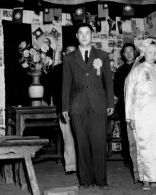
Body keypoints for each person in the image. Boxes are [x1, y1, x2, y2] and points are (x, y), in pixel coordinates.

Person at [62, 23, 114, 190]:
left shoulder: (103, 56)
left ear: (92, 36)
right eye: (81, 33)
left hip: (98, 104)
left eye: (87, 33)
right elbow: (66, 85)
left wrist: (110, 103)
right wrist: (64, 107)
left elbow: (108, 82)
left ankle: (101, 180)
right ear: (77, 36)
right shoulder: (69, 58)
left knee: (99, 142)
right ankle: (85, 180)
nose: (84, 36)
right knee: (82, 143)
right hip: (77, 106)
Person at [125, 38, 156, 191]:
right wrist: (131, 116)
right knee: (145, 146)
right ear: (143, 52)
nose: (153, 55)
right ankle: (146, 179)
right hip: (142, 115)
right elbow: (128, 95)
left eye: (155, 52)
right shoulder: (136, 71)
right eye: (150, 52)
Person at [51, 44, 77, 175]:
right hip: (65, 108)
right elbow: (56, 92)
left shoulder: (82, 68)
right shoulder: (57, 69)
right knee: (68, 138)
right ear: (64, 54)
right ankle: (71, 166)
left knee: (83, 138)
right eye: (68, 52)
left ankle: (84, 165)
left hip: (81, 108)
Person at [113, 43, 137, 168]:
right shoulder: (120, 70)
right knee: (127, 132)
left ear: (135, 52)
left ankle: (139, 159)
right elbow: (116, 89)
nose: (128, 54)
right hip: (125, 104)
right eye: (126, 51)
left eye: (131, 51)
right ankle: (129, 159)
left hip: (140, 105)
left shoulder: (140, 66)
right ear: (123, 54)